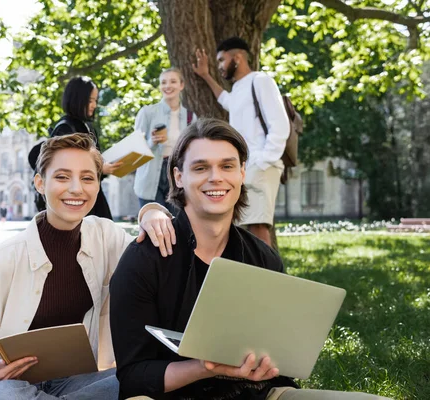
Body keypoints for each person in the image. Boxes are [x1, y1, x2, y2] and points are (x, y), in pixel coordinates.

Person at [110, 119, 390, 400]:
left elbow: (279, 359)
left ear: (242, 172)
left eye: (227, 166)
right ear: (179, 177)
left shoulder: (264, 258)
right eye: (200, 167)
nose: (215, 177)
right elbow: (134, 378)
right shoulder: (143, 259)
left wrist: (273, 366)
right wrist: (204, 367)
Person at [0, 133, 176, 400]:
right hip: (12, 384)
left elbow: (148, 257)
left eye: (88, 178)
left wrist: (152, 211)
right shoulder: (1, 259)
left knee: (144, 380)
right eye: (62, 177)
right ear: (40, 183)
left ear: (98, 184)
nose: (76, 188)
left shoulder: (106, 236)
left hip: (81, 380)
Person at [192, 37, 289, 247]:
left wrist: (262, 162)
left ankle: (267, 278)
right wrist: (206, 75)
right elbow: (226, 101)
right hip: (247, 167)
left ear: (237, 57)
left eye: (221, 60)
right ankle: (249, 276)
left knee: (257, 226)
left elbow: (280, 125)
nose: (219, 66)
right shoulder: (238, 89)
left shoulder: (260, 80)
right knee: (242, 225)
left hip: (261, 165)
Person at [28, 76, 121, 219]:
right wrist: (101, 168)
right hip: (74, 200)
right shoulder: (65, 127)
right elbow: (66, 168)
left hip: (90, 198)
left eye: (95, 100)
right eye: (90, 100)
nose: (94, 105)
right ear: (78, 99)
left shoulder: (87, 126)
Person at [133, 68, 194, 215]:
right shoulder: (147, 112)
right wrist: (151, 142)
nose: (168, 86)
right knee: (152, 225)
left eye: (173, 81)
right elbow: (135, 149)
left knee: (176, 224)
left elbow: (193, 150)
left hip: (177, 173)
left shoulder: (190, 117)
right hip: (150, 174)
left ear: (181, 85)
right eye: (163, 82)